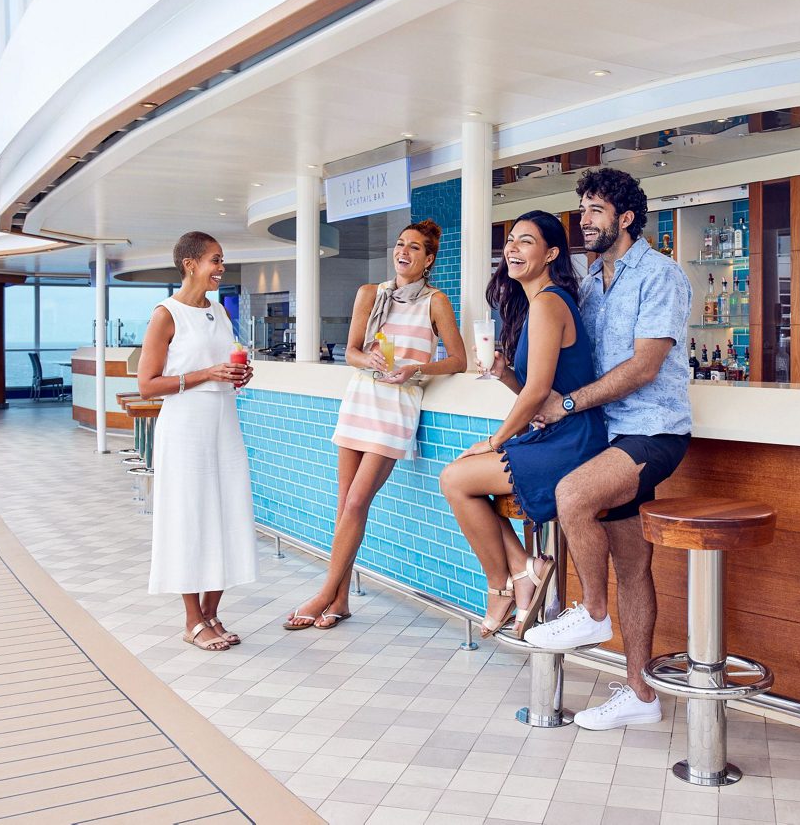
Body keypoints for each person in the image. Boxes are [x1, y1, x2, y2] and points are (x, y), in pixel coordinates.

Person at [522, 168, 693, 732]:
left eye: (595, 210)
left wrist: (567, 406)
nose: (584, 220)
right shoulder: (591, 279)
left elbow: (644, 367)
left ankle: (593, 612)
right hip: (605, 434)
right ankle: (641, 694)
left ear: (624, 218)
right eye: (583, 209)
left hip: (653, 431)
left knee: (573, 496)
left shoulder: (660, 275)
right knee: (633, 564)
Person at [283, 220, 466, 631]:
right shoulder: (370, 294)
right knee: (344, 504)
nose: (404, 252)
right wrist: (370, 360)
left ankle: (324, 593)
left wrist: (416, 369)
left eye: (415, 248)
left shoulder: (435, 301)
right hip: (360, 400)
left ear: (428, 259)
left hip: (396, 407)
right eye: (400, 245)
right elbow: (350, 351)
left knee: (355, 504)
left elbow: (458, 360)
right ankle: (341, 600)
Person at [439, 211, 608, 638]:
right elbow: (538, 396)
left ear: (551, 253)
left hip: (572, 441)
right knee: (461, 481)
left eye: (526, 241)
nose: (512, 248)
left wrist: (494, 441)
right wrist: (504, 372)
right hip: (556, 433)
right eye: (511, 240)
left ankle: (505, 585)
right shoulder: (539, 304)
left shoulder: (550, 302)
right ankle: (522, 567)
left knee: (456, 480)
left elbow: (538, 395)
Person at [138, 231, 257, 652]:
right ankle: (192, 619)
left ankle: (212, 612)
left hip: (223, 423)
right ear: (190, 264)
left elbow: (222, 363)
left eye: (222, 261)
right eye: (215, 260)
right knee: (189, 516)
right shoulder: (166, 314)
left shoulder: (220, 312)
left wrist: (238, 376)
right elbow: (148, 385)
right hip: (185, 427)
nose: (221, 268)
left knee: (226, 511)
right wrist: (207, 374)